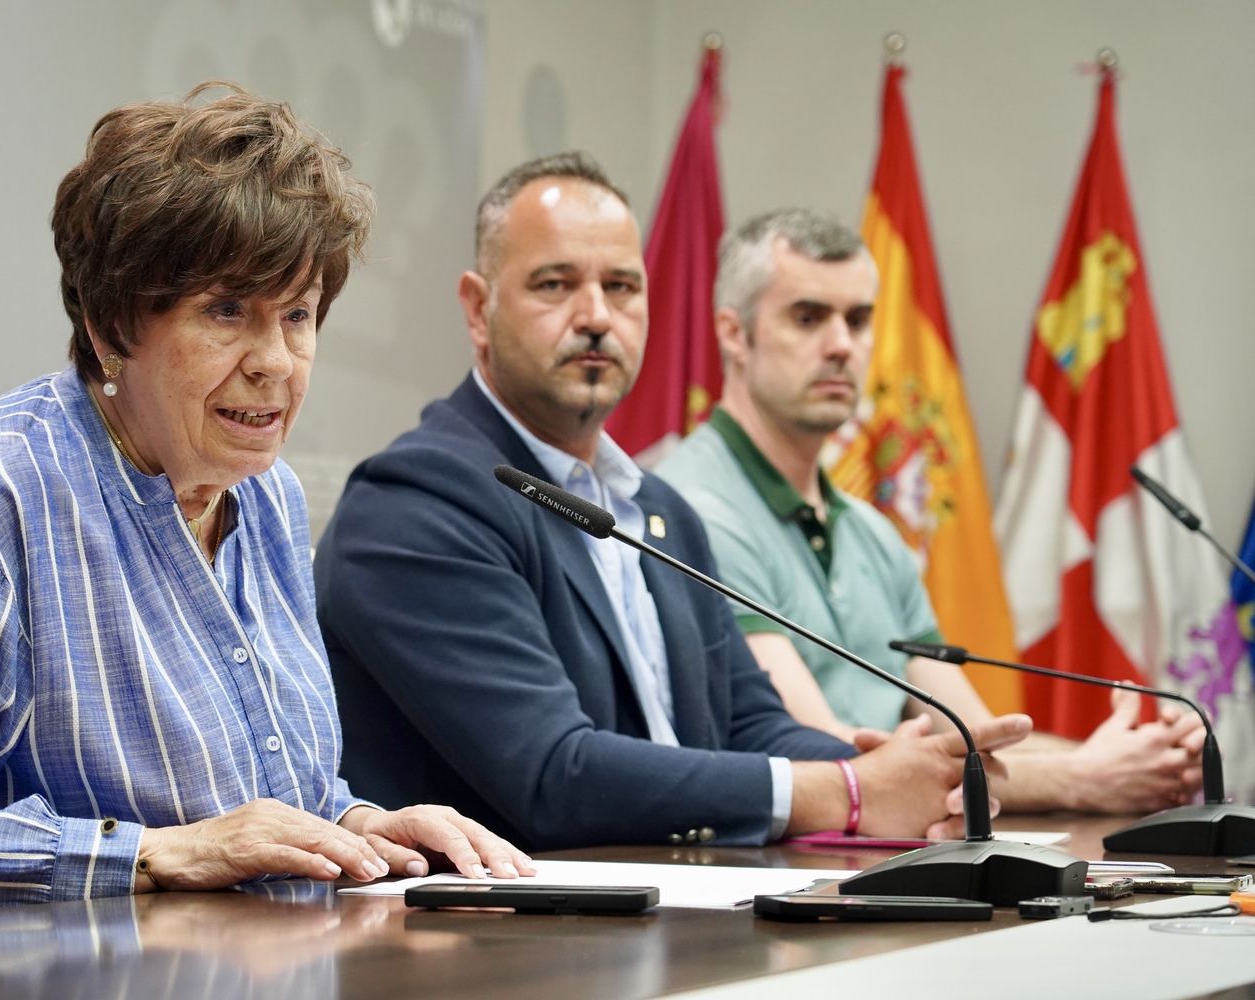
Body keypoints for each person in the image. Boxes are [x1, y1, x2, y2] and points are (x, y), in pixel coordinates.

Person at [0, 83, 532, 914]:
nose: (277, 362)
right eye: (226, 311)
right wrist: (148, 854)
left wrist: (359, 826)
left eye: (298, 315)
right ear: (111, 326)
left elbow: (260, 805)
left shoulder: (268, 497)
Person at [314, 153, 1028, 852]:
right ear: (478, 308)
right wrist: (845, 792)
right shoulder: (416, 501)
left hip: (677, 912)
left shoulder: (659, 510)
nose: (596, 316)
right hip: (484, 947)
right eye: (555, 285)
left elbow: (749, 722)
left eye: (623, 287)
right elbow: (554, 776)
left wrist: (897, 770)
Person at [657, 209, 1203, 814]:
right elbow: (821, 756)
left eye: (859, 319)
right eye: (808, 318)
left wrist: (1134, 757)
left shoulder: (870, 531)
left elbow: (977, 735)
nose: (841, 345)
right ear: (734, 333)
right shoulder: (686, 510)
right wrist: (1079, 777)